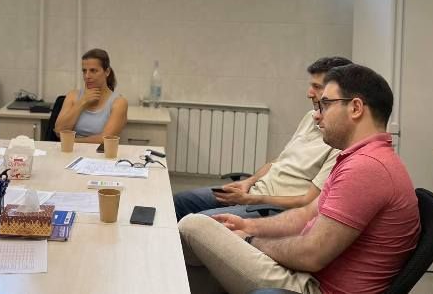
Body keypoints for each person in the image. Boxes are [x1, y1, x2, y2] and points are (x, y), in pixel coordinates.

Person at [178, 64, 420, 294]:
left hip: (313, 288)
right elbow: (306, 214)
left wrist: (251, 241)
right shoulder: (361, 158)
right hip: (307, 277)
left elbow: (311, 255)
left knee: (192, 226)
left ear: (356, 108)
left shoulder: (367, 168)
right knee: (202, 245)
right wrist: (248, 226)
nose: (317, 115)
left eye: (326, 104)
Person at [174, 56, 352, 221]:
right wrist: (247, 182)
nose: (309, 93)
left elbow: (309, 202)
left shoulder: (340, 142)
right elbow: (279, 161)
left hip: (272, 209)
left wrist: (250, 200)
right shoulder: (310, 117)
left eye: (317, 87)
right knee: (180, 202)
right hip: (255, 192)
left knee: (195, 223)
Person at [54, 48, 128, 144]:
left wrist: (72, 141)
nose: (87, 76)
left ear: (107, 72)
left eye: (93, 71)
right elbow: (58, 131)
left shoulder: (119, 102)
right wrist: (82, 102)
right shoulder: (72, 95)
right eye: (84, 71)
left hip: (99, 152)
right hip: (70, 150)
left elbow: (105, 139)